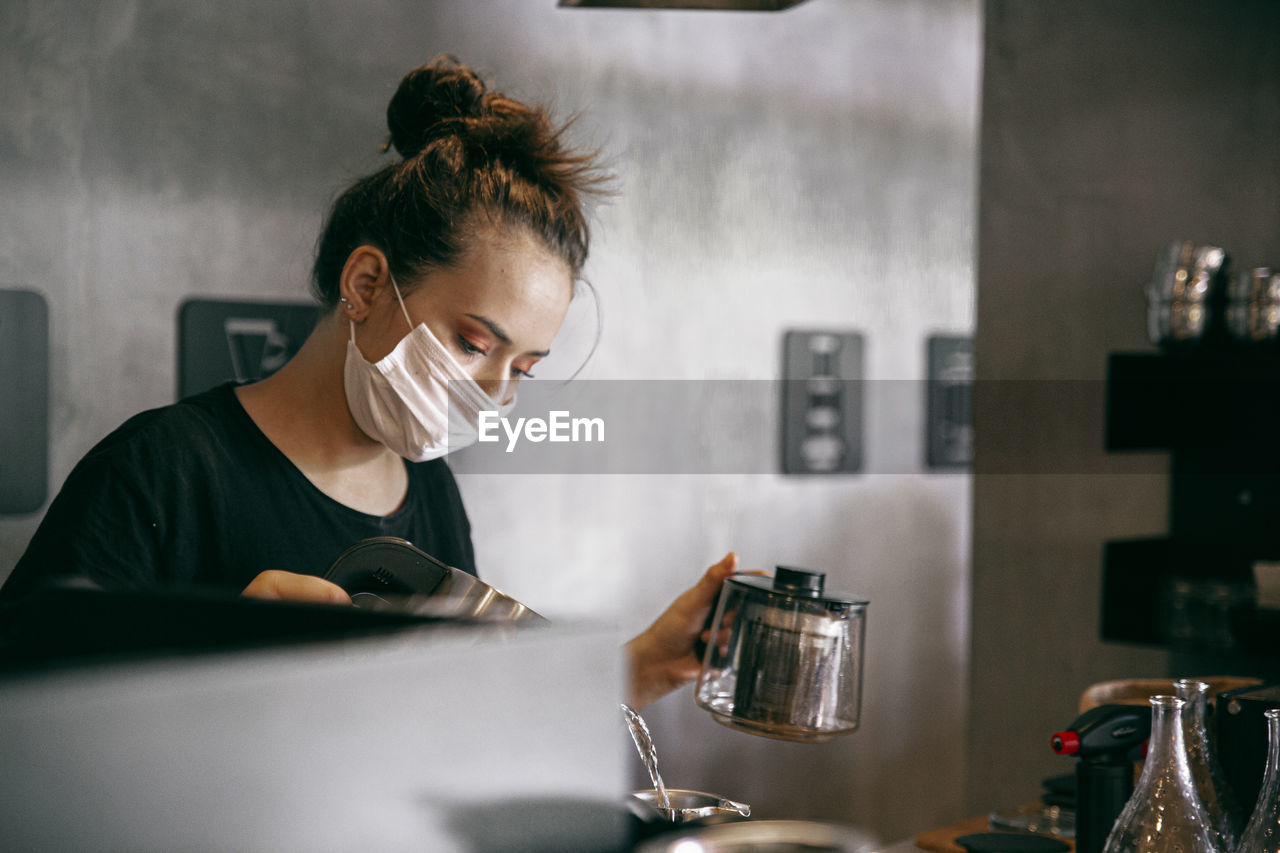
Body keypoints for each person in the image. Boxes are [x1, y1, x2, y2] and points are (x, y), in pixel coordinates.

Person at [0, 56, 737, 711]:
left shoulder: (432, 498)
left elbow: (453, 722)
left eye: (522, 368)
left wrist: (634, 671)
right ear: (365, 283)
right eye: (474, 342)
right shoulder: (162, 472)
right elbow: (29, 725)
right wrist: (218, 668)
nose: (494, 392)